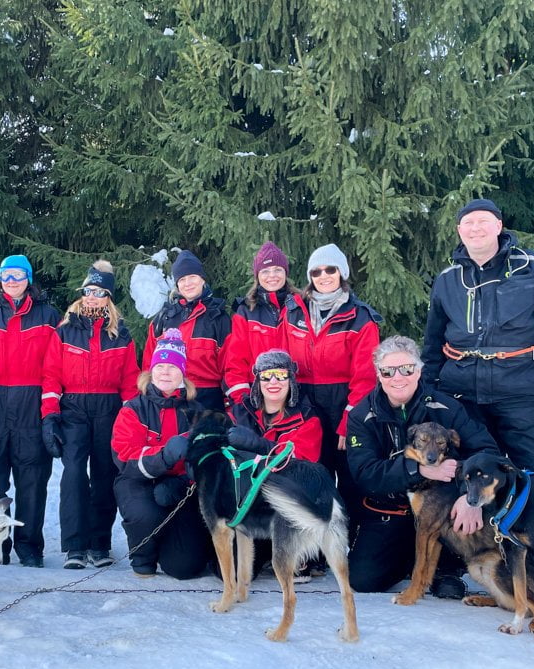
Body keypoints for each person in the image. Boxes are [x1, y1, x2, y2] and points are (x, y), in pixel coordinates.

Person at [422, 198, 534, 601]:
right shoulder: (448, 279)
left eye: (483, 221)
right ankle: (452, 567)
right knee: (456, 478)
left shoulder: (533, 268)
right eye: (467, 223)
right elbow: (432, 340)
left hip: (519, 390)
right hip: (461, 392)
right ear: (459, 231)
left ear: (499, 224)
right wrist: (429, 391)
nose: (475, 228)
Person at [345, 336, 501, 596]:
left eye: (407, 369)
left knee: (448, 585)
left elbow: (488, 453)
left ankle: (446, 567)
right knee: (363, 580)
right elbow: (365, 474)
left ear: (419, 370)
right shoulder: (362, 416)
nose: (398, 377)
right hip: (390, 512)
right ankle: (408, 558)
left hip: (445, 512)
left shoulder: (447, 407)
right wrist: (419, 470)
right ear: (378, 375)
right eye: (388, 371)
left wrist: (471, 499)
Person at [42, 260, 140, 569]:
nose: (92, 297)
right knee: (73, 476)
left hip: (108, 410)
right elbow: (50, 377)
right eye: (88, 291)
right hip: (73, 409)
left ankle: (99, 544)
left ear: (108, 296)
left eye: (98, 292)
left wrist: (130, 419)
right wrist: (50, 415)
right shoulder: (64, 331)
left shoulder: (121, 334)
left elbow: (130, 382)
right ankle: (74, 546)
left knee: (104, 476)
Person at [283, 244, 381, 542]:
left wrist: (349, 420)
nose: (323, 276)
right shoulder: (293, 312)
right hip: (306, 403)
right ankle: (312, 543)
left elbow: (365, 376)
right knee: (310, 473)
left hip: (344, 403)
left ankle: (350, 540)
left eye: (330, 269)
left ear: (342, 273)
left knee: (349, 476)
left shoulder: (360, 317)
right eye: (316, 271)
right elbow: (285, 360)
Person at [0, 254, 60, 568]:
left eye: (18, 275)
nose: (12, 281)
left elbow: (56, 365)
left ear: (29, 278)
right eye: (6, 275)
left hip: (31, 402)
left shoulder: (49, 316)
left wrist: (50, 409)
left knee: (32, 478)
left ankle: (30, 546)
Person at [111, 329, 210, 578]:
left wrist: (187, 475)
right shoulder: (133, 409)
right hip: (138, 481)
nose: (165, 371)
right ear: (151, 370)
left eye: (173, 366)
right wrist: (164, 456)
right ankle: (143, 554)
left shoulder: (197, 412)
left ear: (183, 373)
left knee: (185, 568)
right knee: (146, 513)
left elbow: (208, 454)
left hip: (180, 487)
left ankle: (173, 546)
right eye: (160, 365)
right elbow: (124, 455)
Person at [226, 348, 323, 581]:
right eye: (265, 376)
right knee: (232, 571)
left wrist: (259, 446)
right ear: (256, 380)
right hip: (248, 505)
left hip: (287, 504)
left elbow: (298, 462)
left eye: (280, 375)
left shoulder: (307, 417)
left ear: (291, 380)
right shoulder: (239, 413)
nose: (273, 382)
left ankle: (299, 551)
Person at [143, 250, 230, 412]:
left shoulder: (218, 317)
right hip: (170, 394)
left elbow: (230, 364)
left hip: (208, 398)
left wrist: (231, 403)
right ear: (177, 285)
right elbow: (150, 361)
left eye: (192, 277)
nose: (187, 283)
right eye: (182, 279)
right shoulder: (164, 317)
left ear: (202, 279)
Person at [223, 241, 300, 405]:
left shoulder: (301, 306)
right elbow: (235, 360)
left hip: (297, 395)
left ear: (285, 273)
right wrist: (243, 399)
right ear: (257, 276)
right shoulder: (246, 311)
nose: (272, 275)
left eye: (278, 269)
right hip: (258, 395)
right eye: (265, 271)